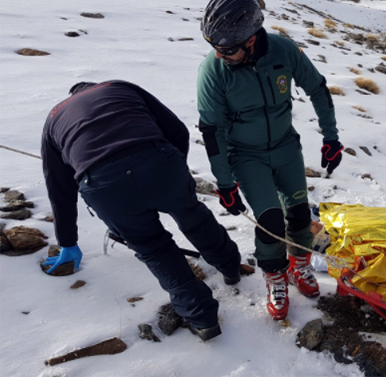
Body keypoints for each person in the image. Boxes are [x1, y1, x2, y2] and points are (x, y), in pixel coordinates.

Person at [41, 80, 242, 341]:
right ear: (94, 87)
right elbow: (177, 130)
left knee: (153, 248)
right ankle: (230, 267)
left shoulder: (54, 117)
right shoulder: (118, 87)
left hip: (103, 184)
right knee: (193, 216)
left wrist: (68, 241)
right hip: (157, 161)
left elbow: (59, 188)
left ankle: (203, 319)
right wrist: (174, 167)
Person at [197, 0, 343, 320]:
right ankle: (275, 275)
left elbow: (318, 89)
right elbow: (212, 130)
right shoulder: (213, 71)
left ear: (251, 39)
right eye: (215, 49)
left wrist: (331, 138)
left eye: (227, 49)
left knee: (300, 214)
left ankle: (300, 265)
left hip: (285, 146)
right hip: (246, 155)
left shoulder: (283, 50)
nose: (220, 56)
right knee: (270, 220)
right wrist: (224, 182)